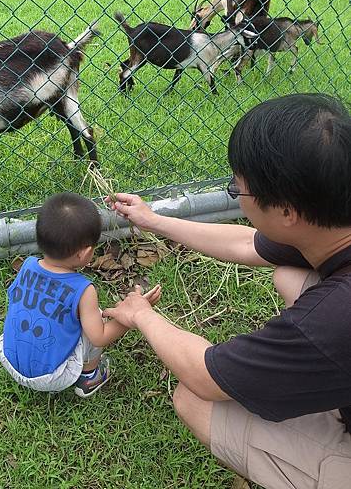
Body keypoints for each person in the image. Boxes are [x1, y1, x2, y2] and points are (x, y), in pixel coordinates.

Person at [104, 93, 351, 488]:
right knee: (288, 275)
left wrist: (140, 314)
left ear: (288, 212)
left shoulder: (330, 320)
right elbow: (248, 243)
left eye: (239, 191)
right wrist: (153, 220)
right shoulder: (330, 219)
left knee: (195, 399)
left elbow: (204, 375)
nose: (236, 196)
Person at [0, 192, 161, 398]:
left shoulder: (27, 265)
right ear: (84, 253)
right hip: (51, 377)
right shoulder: (83, 290)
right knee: (94, 317)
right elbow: (99, 337)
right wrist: (130, 317)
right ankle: (90, 377)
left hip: (7, 357)